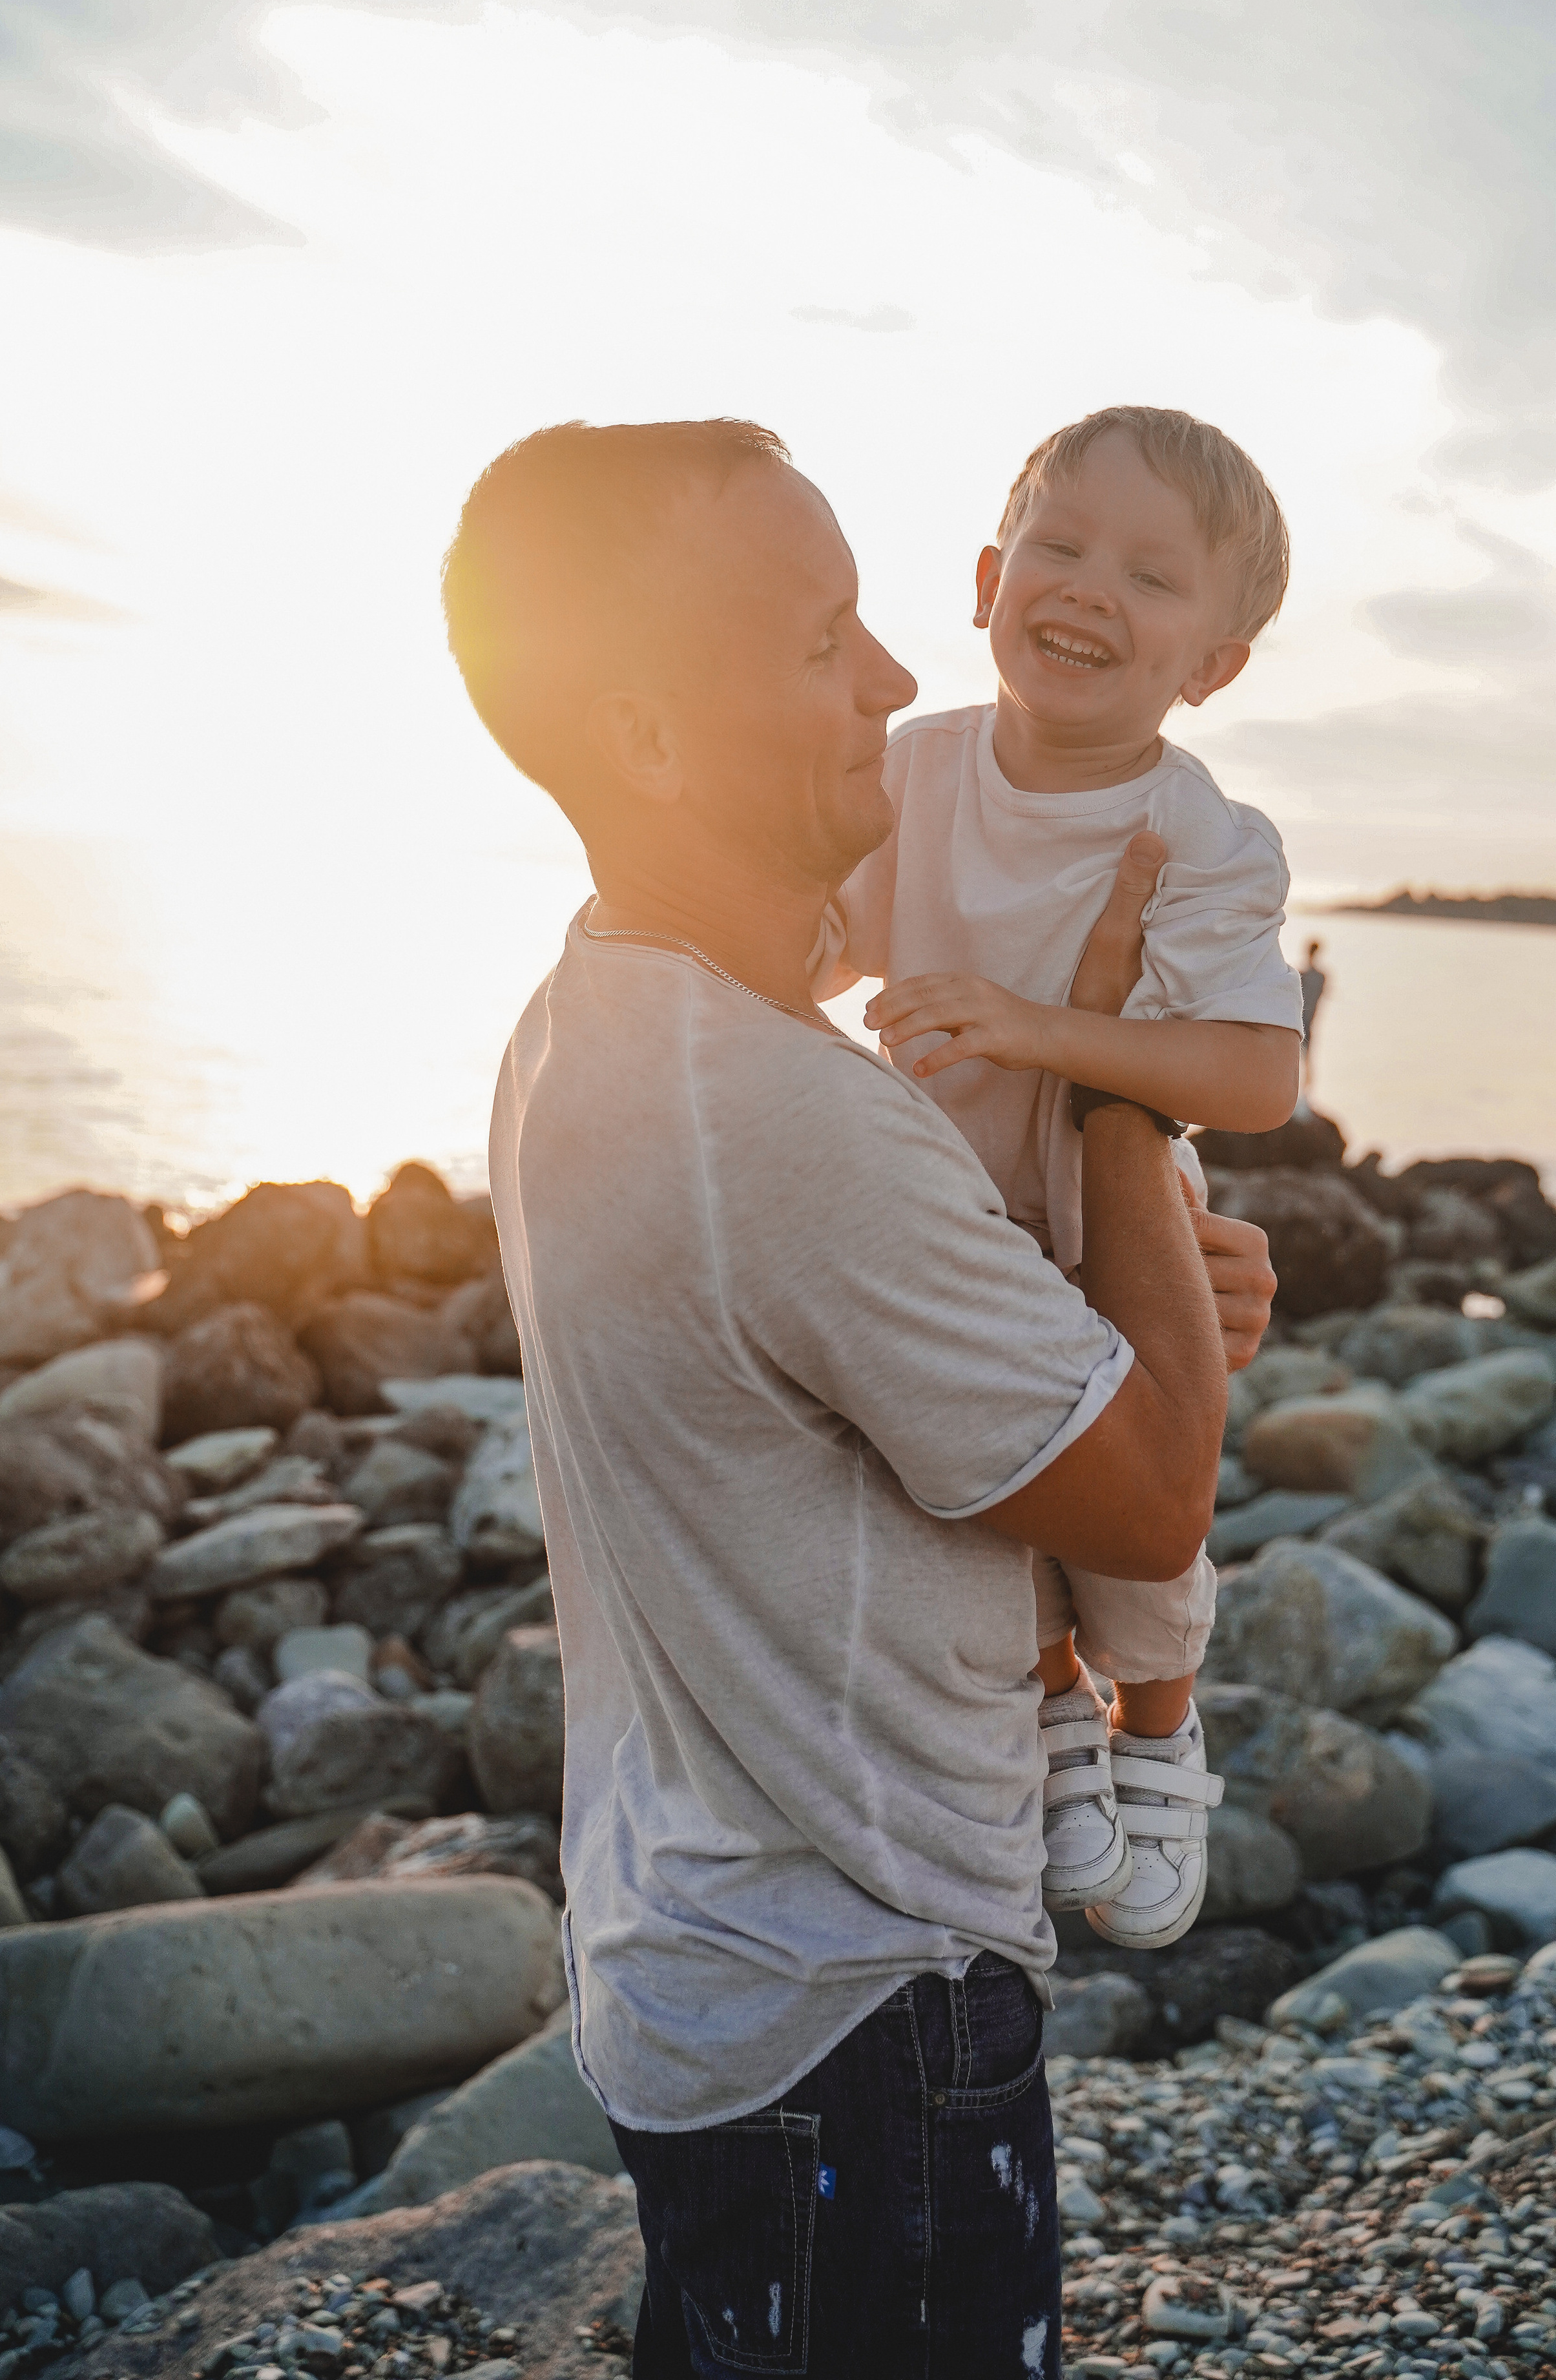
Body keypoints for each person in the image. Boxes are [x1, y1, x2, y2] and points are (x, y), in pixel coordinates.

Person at [441, 419, 1276, 2378]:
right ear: (649, 735)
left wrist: (1113, 1287)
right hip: (861, 2003)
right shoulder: (791, 1124)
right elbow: (1151, 1496)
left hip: (707, 1963)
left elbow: (853, 1365)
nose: (899, 677)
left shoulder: (591, 1014)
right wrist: (1123, 1078)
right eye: (823, 640)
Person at [814, 408, 1302, 1950]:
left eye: (1152, 576)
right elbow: (791, 944)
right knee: (969, 1480)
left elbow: (1252, 1075)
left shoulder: (1200, 835)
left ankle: (1154, 1726)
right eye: (1061, 544)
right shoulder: (911, 773)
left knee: (1137, 1500)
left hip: (1109, 1205)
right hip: (943, 1198)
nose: (1090, 587)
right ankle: (1050, 1713)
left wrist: (1034, 1022)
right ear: (983, 575)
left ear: (1207, 664)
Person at [1300, 938, 1327, 1075]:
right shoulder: (1321, 977)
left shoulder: (1301, 975)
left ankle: (1303, 1088)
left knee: (1302, 1055)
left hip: (1301, 1021)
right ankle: (1306, 1087)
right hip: (1309, 1020)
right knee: (1307, 1055)